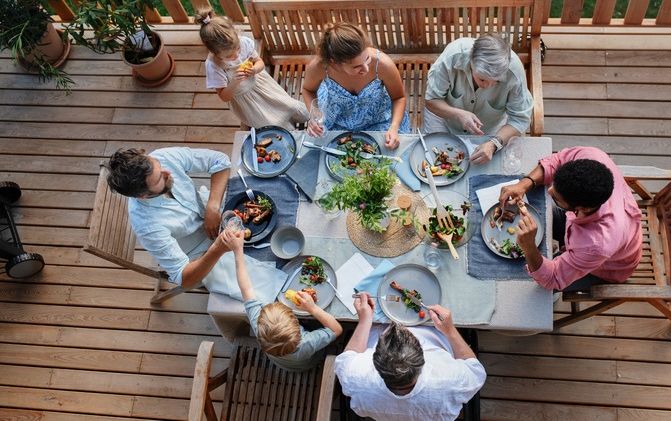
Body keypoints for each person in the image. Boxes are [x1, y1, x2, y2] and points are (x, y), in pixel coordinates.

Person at [105, 147, 285, 301]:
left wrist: (213, 207)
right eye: (160, 178)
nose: (167, 173)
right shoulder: (147, 226)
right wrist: (217, 249)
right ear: (143, 196)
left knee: (274, 200)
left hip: (212, 210)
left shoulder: (161, 157)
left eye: (160, 168)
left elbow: (219, 160)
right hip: (200, 252)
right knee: (268, 287)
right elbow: (184, 278)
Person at [498, 147, 643, 291]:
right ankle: (560, 249)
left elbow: (552, 279)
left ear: (583, 208)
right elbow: (557, 160)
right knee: (542, 214)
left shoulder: (596, 245)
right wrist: (525, 183)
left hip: (607, 267)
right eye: (554, 184)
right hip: (593, 230)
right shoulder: (592, 156)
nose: (549, 191)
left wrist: (529, 246)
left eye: (555, 197)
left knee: (535, 286)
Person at [334, 293, 485, 421]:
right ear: (422, 359)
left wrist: (365, 320)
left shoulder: (355, 376)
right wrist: (450, 330)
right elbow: (475, 369)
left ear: (375, 362)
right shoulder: (452, 381)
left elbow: (348, 357)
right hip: (435, 329)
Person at [222, 230, 342, 371]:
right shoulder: (306, 343)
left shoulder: (258, 325)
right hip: (308, 364)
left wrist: (238, 251)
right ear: (297, 325)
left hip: (280, 363)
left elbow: (246, 288)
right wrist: (313, 309)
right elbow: (337, 329)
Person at [424, 34, 535, 165]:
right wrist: (458, 114)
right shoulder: (452, 56)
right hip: (443, 119)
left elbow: (520, 118)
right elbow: (431, 100)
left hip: (490, 130)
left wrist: (494, 144)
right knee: (435, 161)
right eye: (482, 79)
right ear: (471, 63)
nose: (487, 86)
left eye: (496, 81)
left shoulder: (514, 72)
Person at [302, 22, 411, 150]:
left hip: (379, 121)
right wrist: (315, 115)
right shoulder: (319, 67)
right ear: (335, 63)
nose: (365, 68)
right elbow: (308, 90)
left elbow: (398, 97)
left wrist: (394, 127)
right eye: (356, 66)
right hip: (337, 122)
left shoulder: (382, 64)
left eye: (367, 59)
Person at [195, 8, 307, 131]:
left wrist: (254, 70)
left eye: (238, 49)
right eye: (229, 56)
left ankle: (307, 119)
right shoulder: (214, 66)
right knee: (272, 122)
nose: (237, 56)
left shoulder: (244, 43)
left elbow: (259, 62)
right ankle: (290, 133)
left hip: (262, 85)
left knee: (289, 105)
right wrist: (234, 82)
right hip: (247, 101)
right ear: (214, 52)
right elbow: (224, 96)